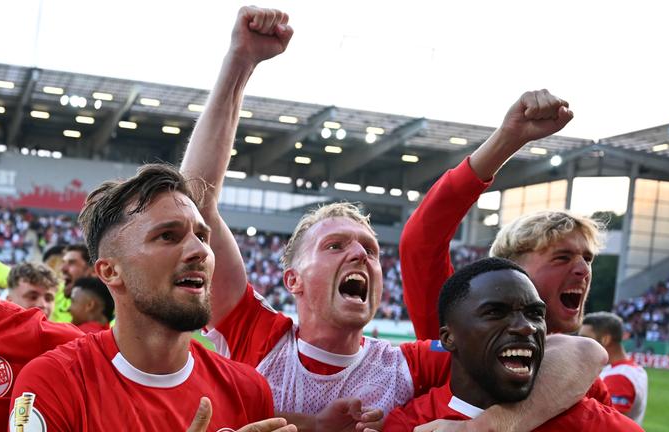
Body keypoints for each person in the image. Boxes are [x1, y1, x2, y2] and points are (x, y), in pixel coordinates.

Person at [182, 7, 605, 431]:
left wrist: (484, 428)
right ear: (293, 279)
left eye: (369, 249)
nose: (359, 255)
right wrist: (240, 62)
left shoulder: (407, 365)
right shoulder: (256, 333)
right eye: (335, 245)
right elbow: (196, 201)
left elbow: (580, 353)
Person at [9, 163, 294, 431]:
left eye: (201, 236)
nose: (200, 251)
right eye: (168, 236)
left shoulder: (248, 390)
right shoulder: (52, 382)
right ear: (110, 271)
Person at [399, 89, 613, 410]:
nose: (583, 270)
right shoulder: (463, 333)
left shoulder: (588, 384)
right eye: (562, 257)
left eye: (587, 258)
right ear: (513, 271)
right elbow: (421, 240)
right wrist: (507, 139)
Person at [385, 258, 642, 431]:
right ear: (448, 338)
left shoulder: (588, 419)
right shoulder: (410, 425)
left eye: (535, 313)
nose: (527, 327)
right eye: (496, 312)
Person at [0, 184, 85, 431]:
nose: (42, 304)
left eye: (48, 297)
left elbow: (119, 359)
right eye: (32, 295)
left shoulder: (28, 332)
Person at [580, 312, 648, 424]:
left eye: (586, 339)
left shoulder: (619, 378)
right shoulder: (631, 369)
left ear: (606, 339)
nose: (580, 344)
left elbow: (608, 425)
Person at [51, 243, 95, 322]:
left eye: (72, 263)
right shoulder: (52, 293)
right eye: (63, 262)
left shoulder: (112, 306)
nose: (63, 269)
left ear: (91, 270)